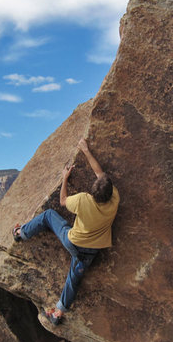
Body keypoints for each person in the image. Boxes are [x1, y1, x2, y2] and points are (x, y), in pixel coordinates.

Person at [12, 138, 119, 326]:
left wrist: (64, 178)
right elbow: (100, 173)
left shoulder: (83, 199)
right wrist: (86, 151)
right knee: (74, 278)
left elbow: (62, 201)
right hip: (92, 251)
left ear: (93, 192)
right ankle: (58, 313)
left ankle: (21, 233)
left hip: (73, 241)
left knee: (49, 215)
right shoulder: (115, 199)